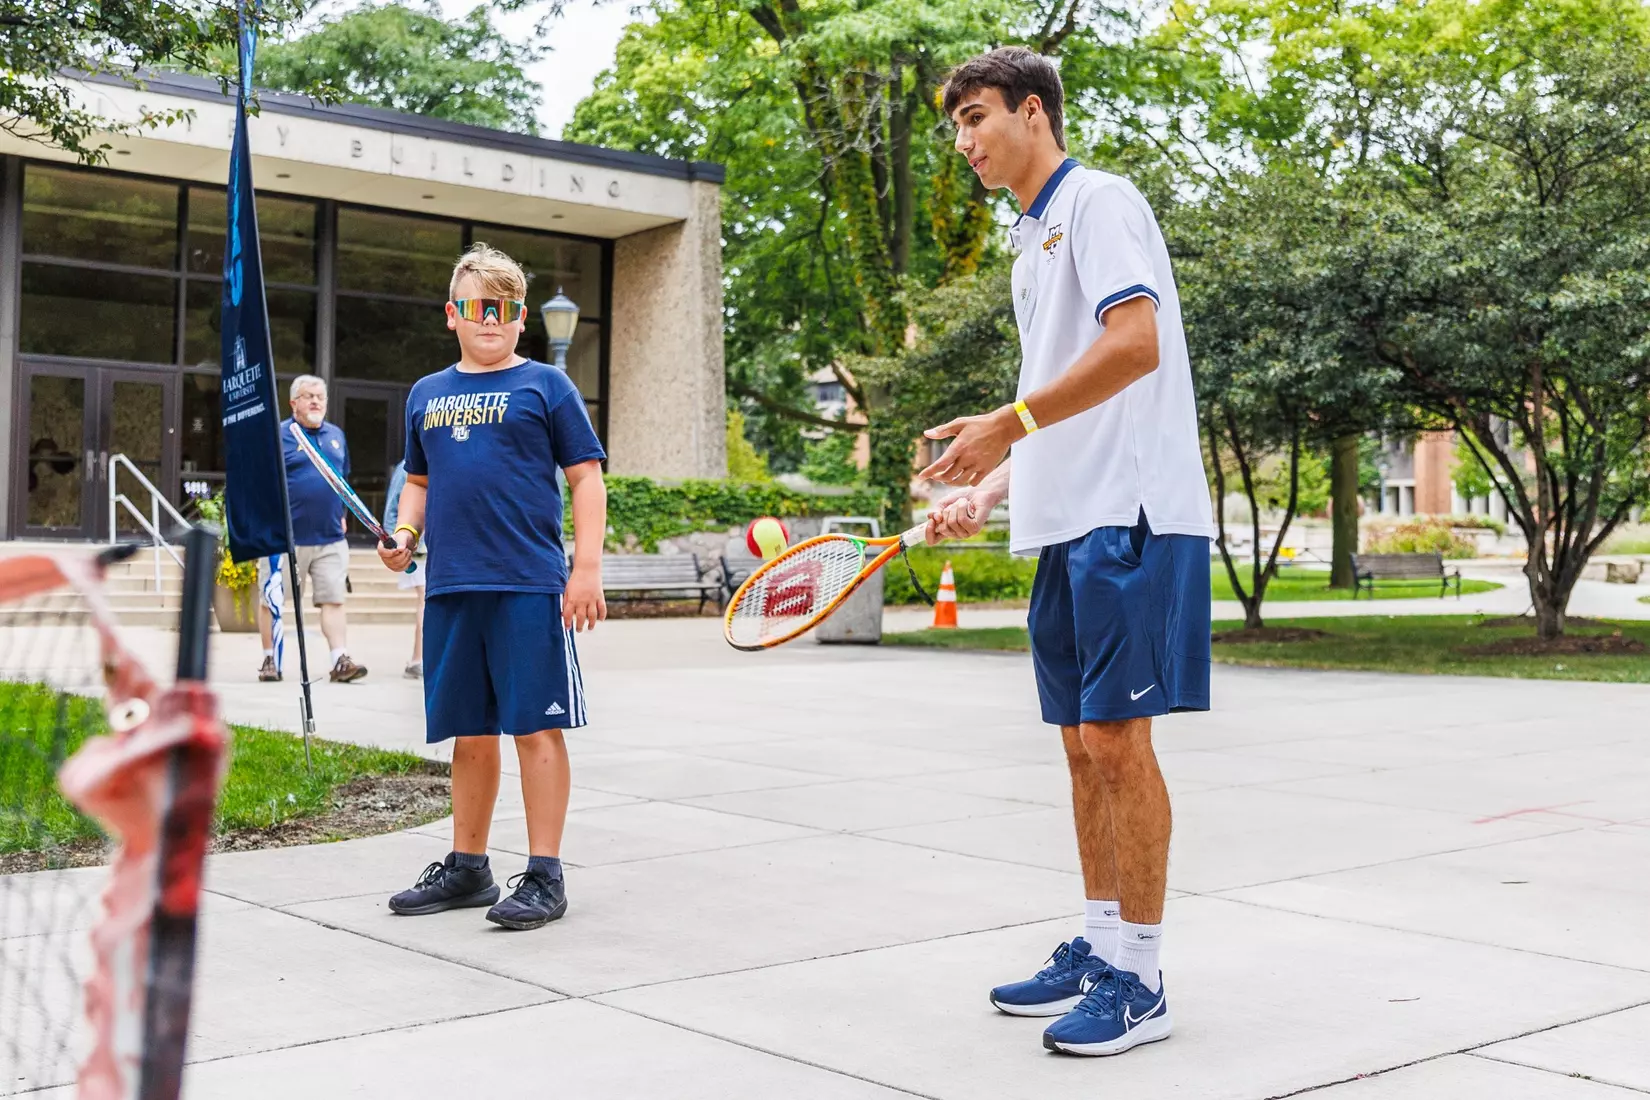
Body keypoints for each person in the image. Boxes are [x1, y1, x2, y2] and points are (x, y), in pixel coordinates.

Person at [922, 48, 1215, 1058]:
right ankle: (1098, 943)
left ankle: (1142, 974)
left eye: (975, 117)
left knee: (1119, 743)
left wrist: (1003, 423)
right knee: (1079, 745)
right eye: (955, 127)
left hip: (1131, 512)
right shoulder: (1030, 236)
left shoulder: (1099, 201)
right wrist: (992, 483)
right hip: (1063, 515)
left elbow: (1137, 344)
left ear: (1032, 111)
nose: (964, 142)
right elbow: (1063, 392)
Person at [378, 243, 607, 932]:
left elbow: (586, 478)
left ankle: (544, 874)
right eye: (477, 308)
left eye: (504, 310)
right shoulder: (426, 395)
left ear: (520, 317)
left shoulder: (546, 387)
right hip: (451, 586)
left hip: (528, 585)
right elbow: (417, 484)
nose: (490, 321)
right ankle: (468, 866)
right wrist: (406, 537)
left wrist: (586, 568)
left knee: (536, 726)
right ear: (452, 315)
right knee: (469, 733)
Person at [257, 375, 368, 684]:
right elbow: (259, 482)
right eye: (309, 396)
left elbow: (342, 481)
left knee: (333, 599)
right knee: (272, 601)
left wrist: (343, 514)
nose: (316, 401)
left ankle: (340, 661)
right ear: (294, 403)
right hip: (284, 539)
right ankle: (270, 659)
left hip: (330, 537)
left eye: (321, 396)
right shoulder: (278, 435)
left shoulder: (336, 436)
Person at [383, 459, 426, 679]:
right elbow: (393, 508)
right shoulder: (406, 467)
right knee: (425, 600)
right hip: (418, 548)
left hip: (441, 547)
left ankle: (419, 659)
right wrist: (396, 541)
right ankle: (417, 660)